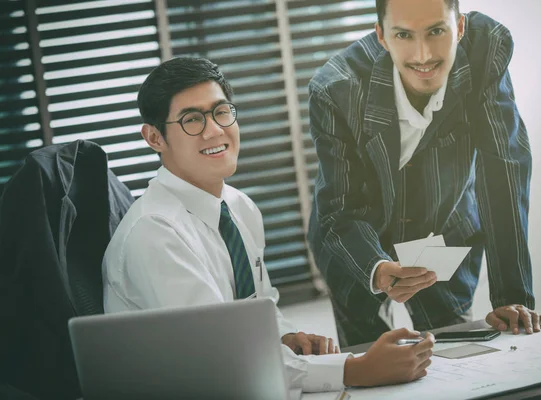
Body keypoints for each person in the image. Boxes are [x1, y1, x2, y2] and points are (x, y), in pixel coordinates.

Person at [102, 57, 435, 392]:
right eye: (192, 120)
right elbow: (219, 353)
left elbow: (258, 309)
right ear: (154, 138)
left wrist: (286, 336)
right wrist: (356, 369)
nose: (215, 130)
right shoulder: (154, 232)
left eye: (221, 111)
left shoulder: (239, 207)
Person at [307, 0, 541, 347]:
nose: (422, 55)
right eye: (403, 34)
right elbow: (341, 208)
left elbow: (504, 169)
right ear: (382, 37)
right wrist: (376, 268)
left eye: (436, 31)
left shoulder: (485, 49)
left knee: (459, 352)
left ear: (460, 27)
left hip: (444, 229)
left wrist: (512, 294)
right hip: (356, 244)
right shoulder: (335, 89)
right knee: (374, 363)